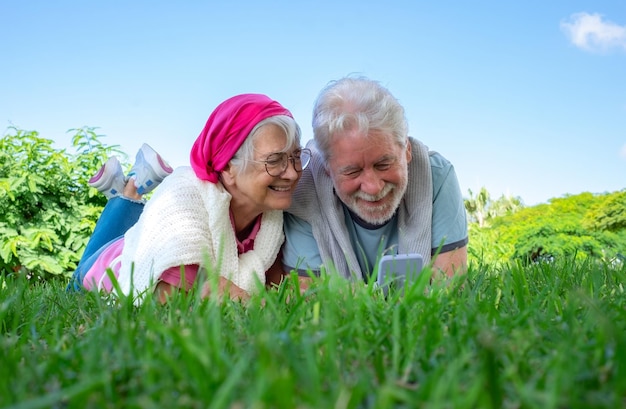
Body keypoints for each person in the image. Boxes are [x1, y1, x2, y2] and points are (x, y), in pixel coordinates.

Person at [70, 93, 309, 303]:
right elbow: (169, 302)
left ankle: (128, 189)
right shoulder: (185, 206)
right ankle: (127, 193)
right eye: (274, 161)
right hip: (106, 266)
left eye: (296, 156)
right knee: (79, 275)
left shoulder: (272, 220)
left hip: (136, 237)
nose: (293, 172)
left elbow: (276, 286)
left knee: (131, 222)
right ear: (227, 168)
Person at [282, 76, 468, 284]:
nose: (372, 188)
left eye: (384, 164)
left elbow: (450, 285)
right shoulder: (306, 192)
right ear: (327, 168)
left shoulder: (437, 176)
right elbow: (309, 295)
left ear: (406, 150)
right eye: (352, 172)